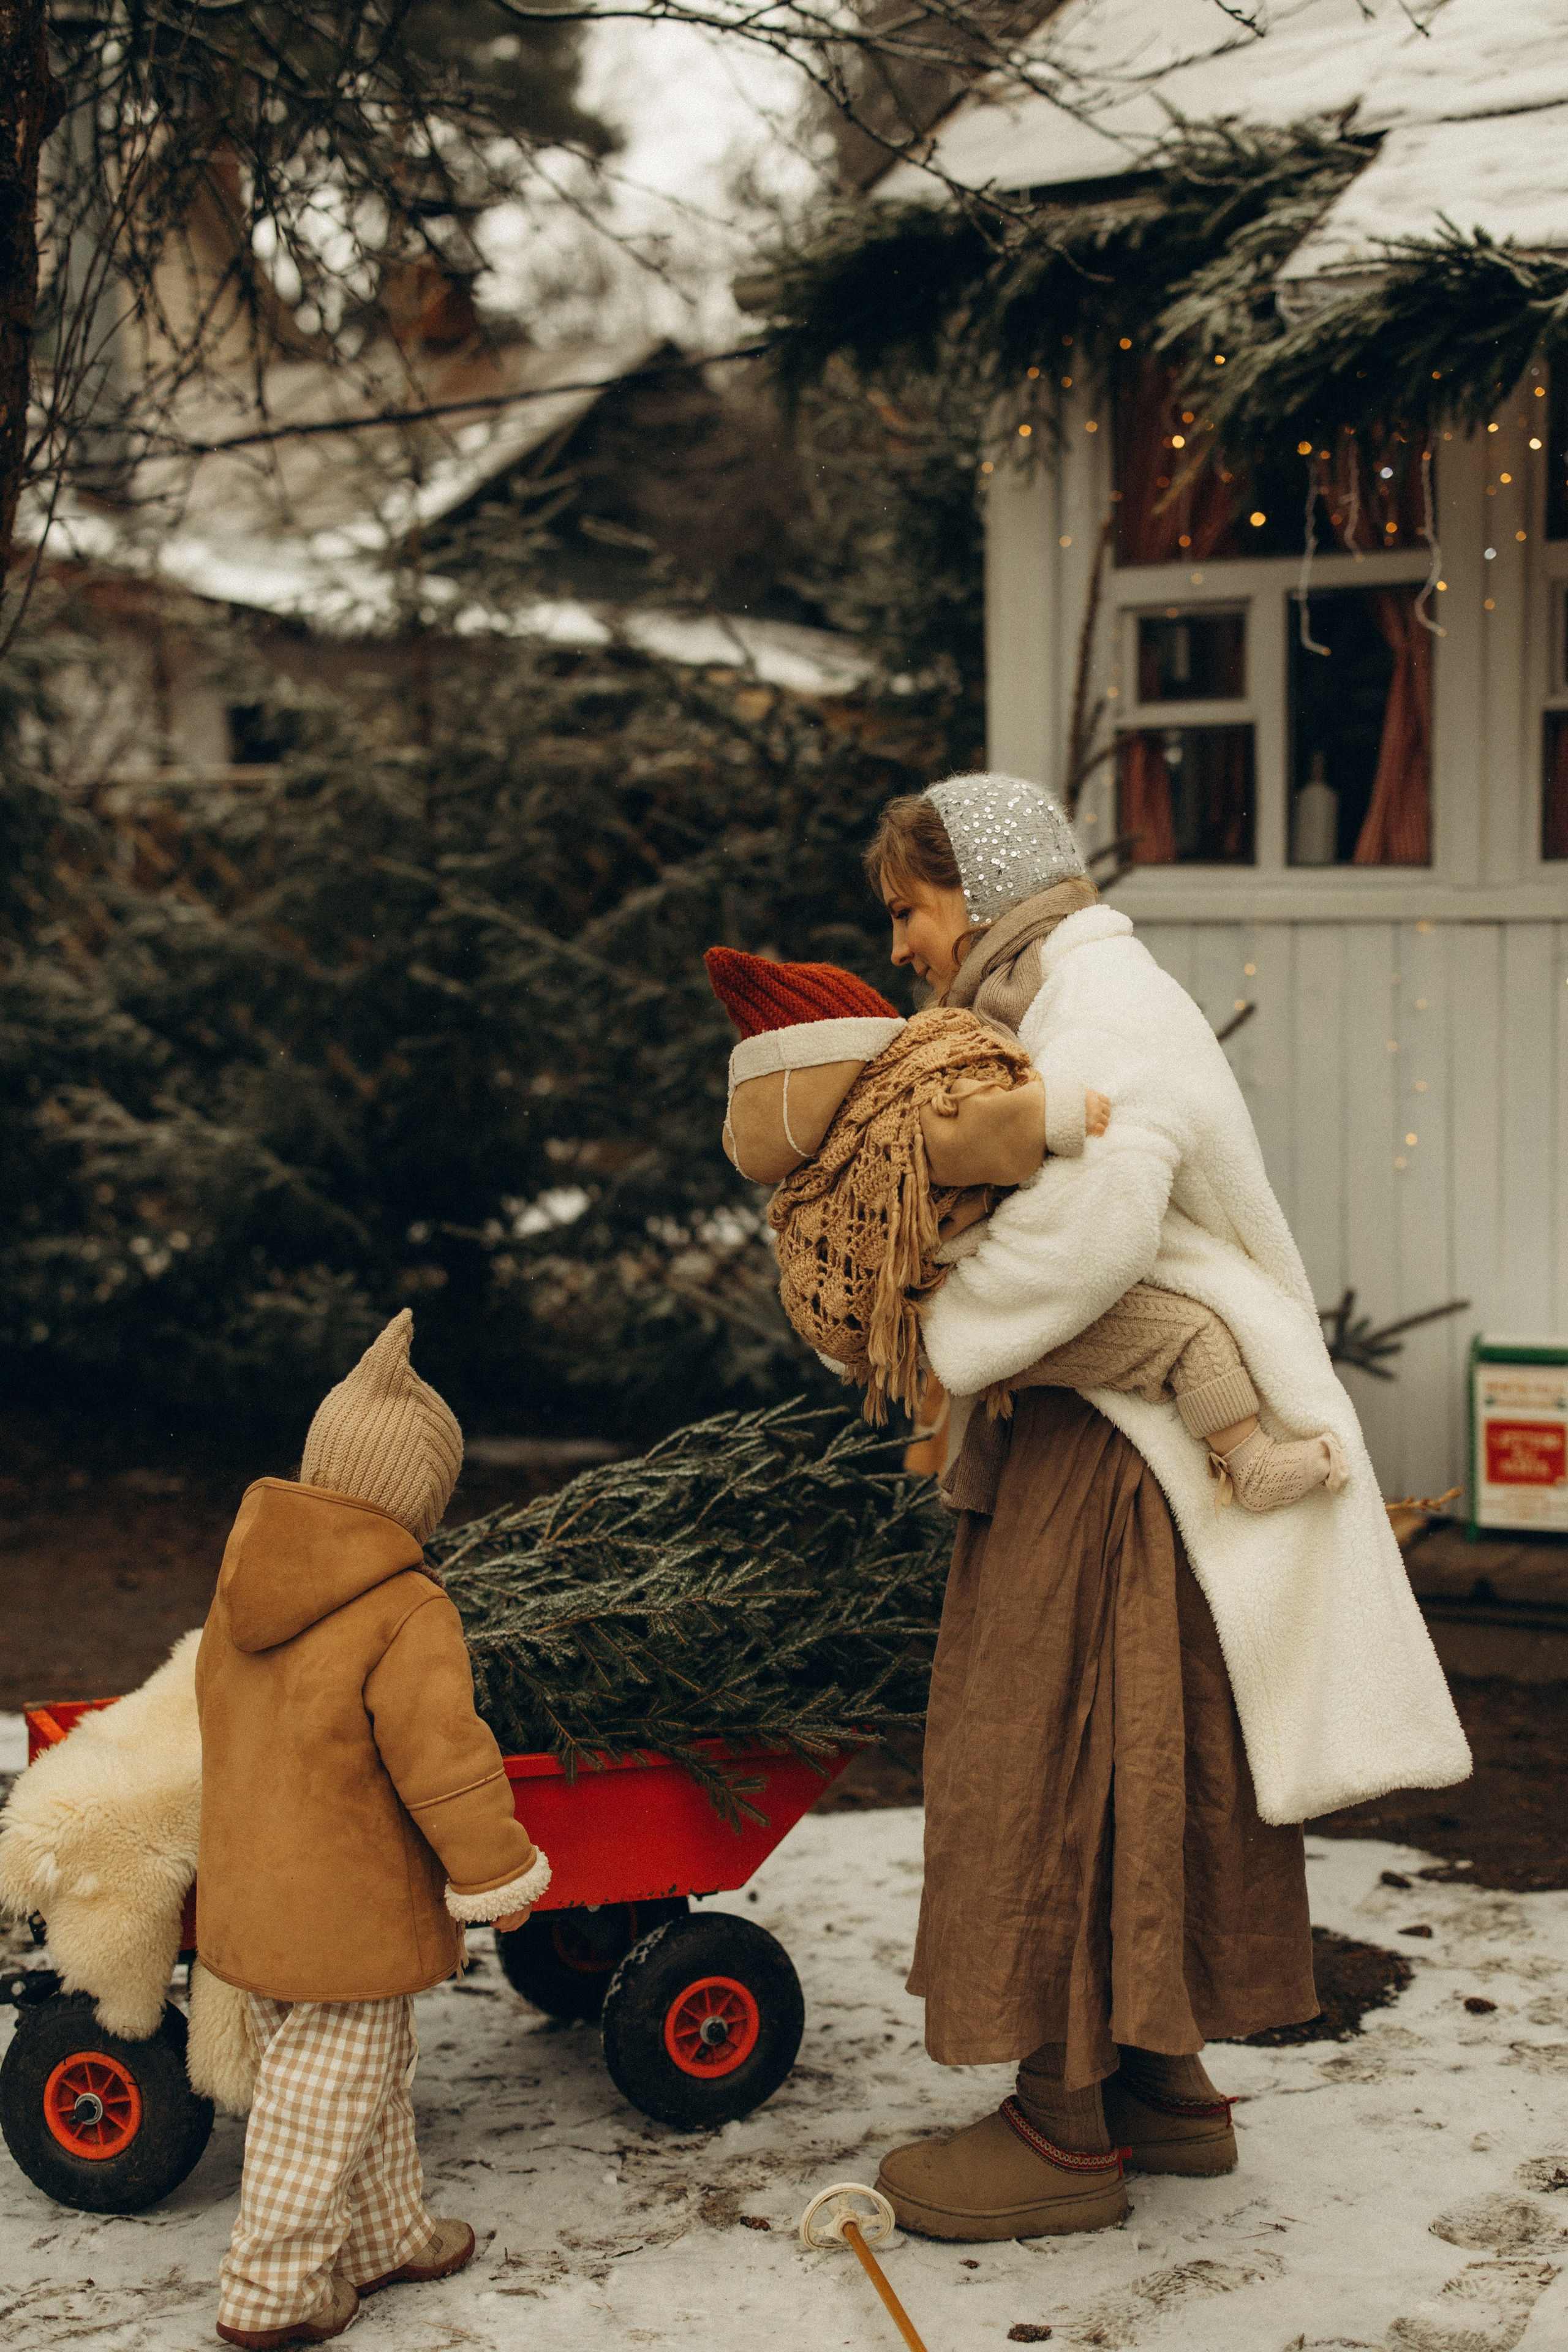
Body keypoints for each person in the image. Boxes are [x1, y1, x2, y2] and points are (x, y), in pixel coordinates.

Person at [850, 774, 1471, 2242]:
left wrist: (923, 1307)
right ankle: (1162, 2087)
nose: (898, 946)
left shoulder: (1098, 1007)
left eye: (907, 909)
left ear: (978, 894)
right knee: (1140, 1750)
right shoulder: (1062, 996)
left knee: (1060, 1748)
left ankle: (1063, 2124)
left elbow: (1098, 1218)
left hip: (1117, 1464)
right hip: (1132, 1443)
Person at [197, 1311, 551, 2347]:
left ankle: (384, 2236)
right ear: (416, 1499)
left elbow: (223, 1721)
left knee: (369, 2075)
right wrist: (500, 1871)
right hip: (345, 1907)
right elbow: (448, 1764)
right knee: (322, 2095)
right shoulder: (402, 1608)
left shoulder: (246, 1583)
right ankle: (270, 2290)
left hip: (255, 1892)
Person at [706, 944, 1349, 1513]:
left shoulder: (834, 1159)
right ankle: (1252, 1465)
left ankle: (974, 1480)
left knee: (1052, 1369)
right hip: (977, 1309)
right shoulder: (902, 1117)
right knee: (1190, 1334)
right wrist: (1057, 1112)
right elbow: (974, 1132)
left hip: (940, 1314)